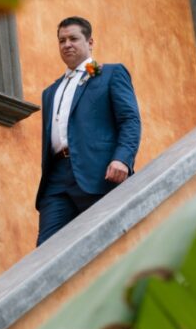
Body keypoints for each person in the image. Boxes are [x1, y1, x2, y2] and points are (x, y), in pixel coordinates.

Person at [35, 16, 141, 245]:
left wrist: (123, 159)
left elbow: (130, 120)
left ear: (90, 42)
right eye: (61, 40)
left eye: (73, 38)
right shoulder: (50, 91)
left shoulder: (110, 74)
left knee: (107, 244)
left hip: (99, 173)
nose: (67, 44)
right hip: (56, 179)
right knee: (46, 249)